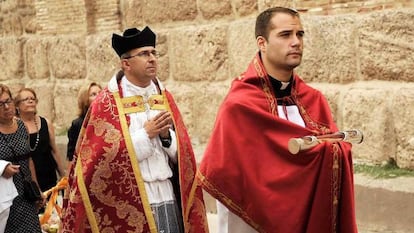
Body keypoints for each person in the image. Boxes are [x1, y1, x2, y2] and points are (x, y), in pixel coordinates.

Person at [197, 7, 358, 233]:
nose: (296, 42)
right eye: (285, 35)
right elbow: (230, 173)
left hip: (309, 216)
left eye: (300, 34)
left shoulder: (314, 100)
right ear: (262, 43)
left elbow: (327, 154)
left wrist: (336, 150)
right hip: (252, 221)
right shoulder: (240, 105)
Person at [61, 26, 209, 233]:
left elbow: (183, 157)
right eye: (144, 54)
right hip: (134, 196)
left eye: (154, 53)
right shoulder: (107, 103)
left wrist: (166, 138)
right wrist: (146, 134)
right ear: (126, 63)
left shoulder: (163, 97)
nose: (152, 59)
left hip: (167, 192)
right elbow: (100, 162)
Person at [0, 84, 43, 232]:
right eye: (0, 104)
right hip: (5, 199)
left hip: (26, 194)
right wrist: (2, 168)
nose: (6, 107)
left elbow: (29, 160)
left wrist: (36, 189)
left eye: (8, 101)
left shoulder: (20, 125)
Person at [15, 88, 66, 193]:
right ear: (17, 105)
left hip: (48, 176)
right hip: (26, 180)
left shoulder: (45, 123)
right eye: (26, 99)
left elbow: (54, 151)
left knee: (50, 207)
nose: (30, 101)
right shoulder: (14, 126)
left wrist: (63, 175)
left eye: (33, 98)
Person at [66, 82, 102, 161]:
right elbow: (72, 155)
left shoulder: (109, 120)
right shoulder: (77, 124)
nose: (99, 96)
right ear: (85, 100)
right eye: (93, 94)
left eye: (100, 93)